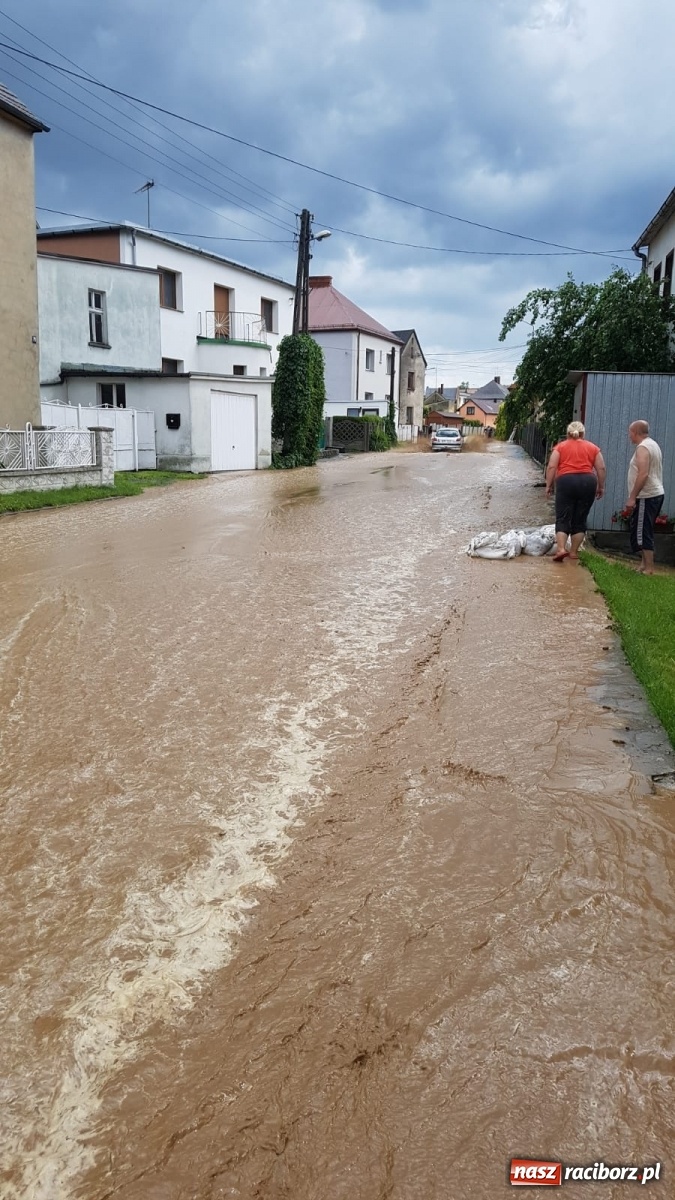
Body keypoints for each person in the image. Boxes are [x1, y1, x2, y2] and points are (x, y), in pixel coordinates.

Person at [545, 421, 606, 561]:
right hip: (587, 482)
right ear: (583, 434)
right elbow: (601, 468)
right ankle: (573, 552)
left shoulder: (560, 447)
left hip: (566, 481)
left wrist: (549, 485)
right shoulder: (593, 448)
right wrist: (601, 486)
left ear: (567, 434)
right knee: (580, 518)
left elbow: (551, 467)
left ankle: (560, 549)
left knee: (563, 516)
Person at [624, 420, 664, 575]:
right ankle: (643, 565)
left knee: (643, 530)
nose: (629, 436)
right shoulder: (653, 444)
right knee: (644, 528)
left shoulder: (643, 448)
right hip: (655, 493)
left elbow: (643, 473)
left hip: (647, 495)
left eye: (630, 432)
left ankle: (649, 568)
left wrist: (632, 497)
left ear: (636, 432)